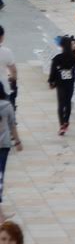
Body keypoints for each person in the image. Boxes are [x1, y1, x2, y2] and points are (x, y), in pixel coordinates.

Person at [48, 36, 75, 135]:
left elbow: (53, 71)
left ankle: (61, 124)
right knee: (68, 102)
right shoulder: (74, 58)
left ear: (61, 46)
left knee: (61, 103)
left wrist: (51, 81)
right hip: (70, 82)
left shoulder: (57, 58)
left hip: (60, 82)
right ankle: (66, 121)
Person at [0, 86, 20, 224]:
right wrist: (17, 141)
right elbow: (12, 125)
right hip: (4, 145)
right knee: (0, 175)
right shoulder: (7, 106)